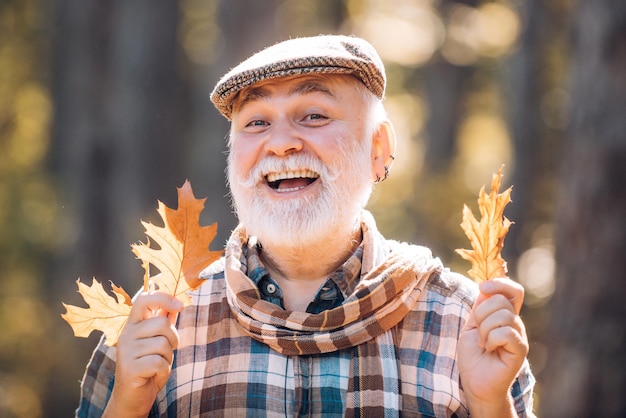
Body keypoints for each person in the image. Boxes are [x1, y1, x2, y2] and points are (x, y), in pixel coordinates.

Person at [76, 35, 535, 417]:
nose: (280, 143)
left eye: (313, 115)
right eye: (256, 122)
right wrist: (127, 404)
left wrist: (489, 404)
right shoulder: (159, 322)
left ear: (378, 149)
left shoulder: (463, 323)